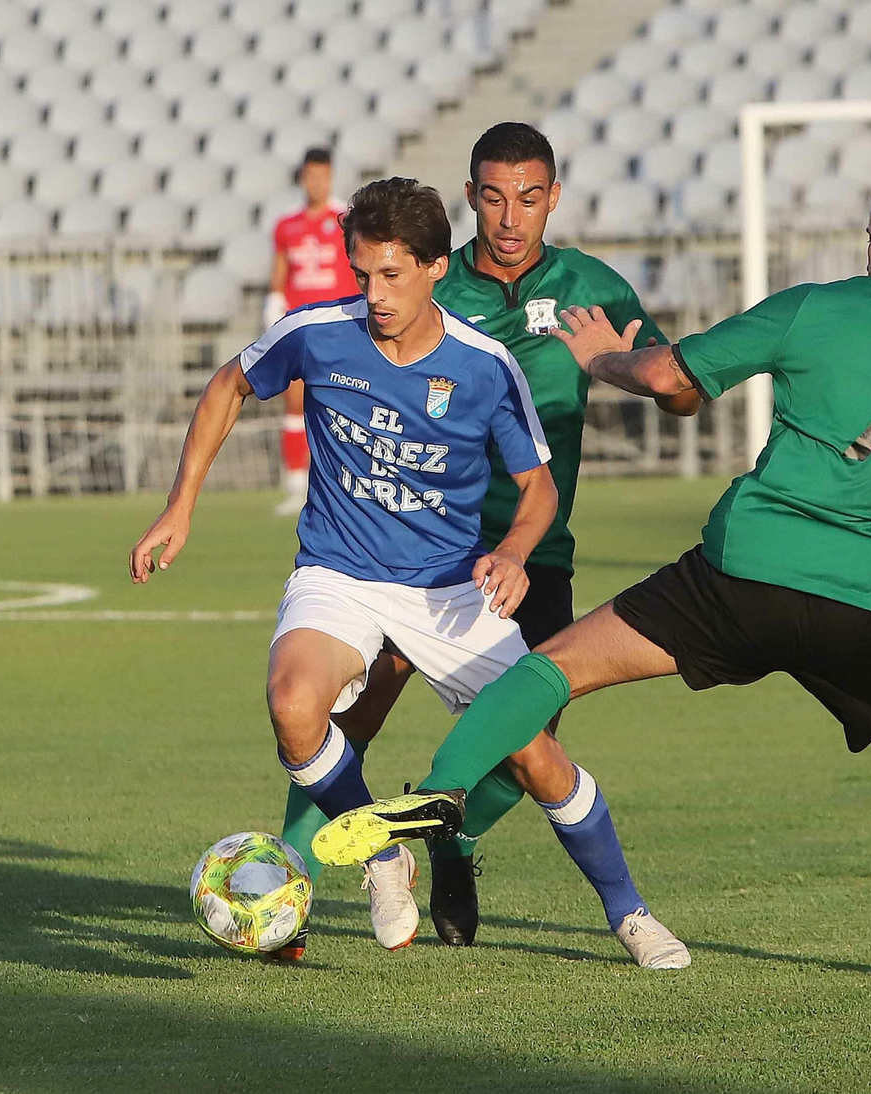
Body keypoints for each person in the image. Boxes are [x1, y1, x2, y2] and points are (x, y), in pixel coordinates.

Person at [314, 163, 871, 983]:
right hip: (869, 607)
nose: (866, 244)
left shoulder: (817, 307)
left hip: (739, 579)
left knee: (554, 667)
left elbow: (668, 376)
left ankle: (444, 790)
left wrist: (602, 360)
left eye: (869, 231)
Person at [129, 177, 688, 969]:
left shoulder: (485, 365)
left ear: (433, 267)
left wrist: (514, 552)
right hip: (339, 574)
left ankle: (630, 913)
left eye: (392, 275)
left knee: (536, 759)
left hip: (450, 589)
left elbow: (538, 487)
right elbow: (229, 384)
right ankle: (384, 855)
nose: (375, 295)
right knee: (293, 705)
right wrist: (180, 506)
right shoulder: (318, 333)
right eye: (363, 275)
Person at [277, 121, 698, 948]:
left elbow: (681, 391)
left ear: (554, 198)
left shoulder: (593, 290)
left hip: (533, 553)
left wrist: (617, 365)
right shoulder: (424, 277)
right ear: (471, 197)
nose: (511, 218)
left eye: (529, 199)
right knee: (349, 712)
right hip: (416, 549)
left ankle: (453, 837)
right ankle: (291, 888)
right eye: (495, 198)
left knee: (529, 745)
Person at [264, 148, 360, 517]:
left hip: (340, 323)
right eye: (310, 176)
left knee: (342, 402)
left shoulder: (346, 220)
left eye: (322, 176)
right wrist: (274, 302)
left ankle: (344, 482)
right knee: (294, 401)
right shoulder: (286, 225)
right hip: (300, 325)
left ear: (330, 177)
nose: (316, 183)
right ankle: (296, 485)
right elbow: (280, 270)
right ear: (302, 178)